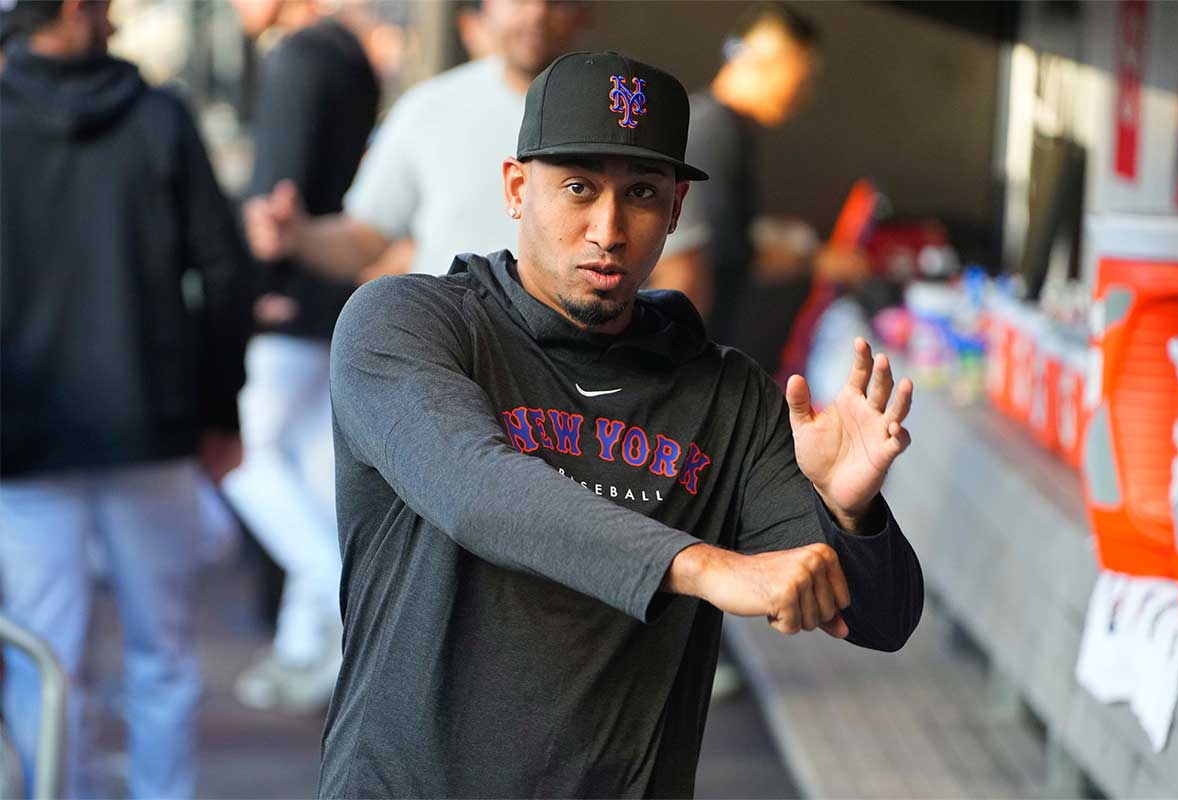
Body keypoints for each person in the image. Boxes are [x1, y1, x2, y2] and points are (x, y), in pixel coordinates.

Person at [319, 51, 922, 797]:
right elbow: (477, 486)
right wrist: (706, 565)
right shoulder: (409, 326)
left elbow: (880, 617)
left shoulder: (725, 396)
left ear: (674, 210)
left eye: (640, 193)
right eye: (578, 188)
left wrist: (848, 512)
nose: (608, 228)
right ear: (516, 188)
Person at [0, 1, 252, 796]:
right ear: (79, 9)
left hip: (22, 434)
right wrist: (220, 408)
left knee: (43, 655)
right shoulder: (159, 117)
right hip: (150, 426)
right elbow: (223, 270)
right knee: (164, 658)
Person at [222, 0, 380, 714]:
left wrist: (258, 290)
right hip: (335, 292)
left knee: (242, 461)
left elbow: (273, 201)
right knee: (316, 480)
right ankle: (300, 645)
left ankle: (343, 609)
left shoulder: (296, 56)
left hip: (286, 296)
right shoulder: (351, 55)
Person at [242, 0, 589, 282]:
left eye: (557, 1)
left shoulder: (615, 116)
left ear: (583, 13)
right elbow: (364, 237)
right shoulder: (429, 108)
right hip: (444, 351)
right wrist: (299, 236)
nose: (537, 12)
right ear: (487, 8)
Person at [653, 2, 867, 361]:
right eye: (801, 77)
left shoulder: (723, 128)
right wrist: (817, 260)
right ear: (763, 60)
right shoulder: (714, 135)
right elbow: (720, 254)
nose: (803, 95)